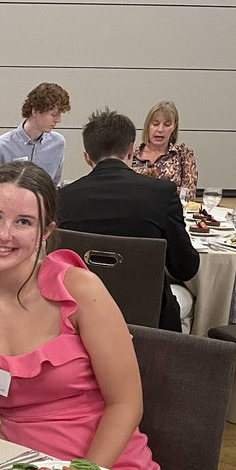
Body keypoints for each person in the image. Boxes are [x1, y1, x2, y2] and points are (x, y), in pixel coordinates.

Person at [0, 161, 163, 470]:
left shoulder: (79, 290)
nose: (4, 234)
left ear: (45, 232)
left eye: (24, 222)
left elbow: (126, 403)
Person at [58, 109, 199, 333]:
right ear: (132, 152)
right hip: (148, 319)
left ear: (87, 157)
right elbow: (185, 268)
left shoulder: (64, 198)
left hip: (78, 317)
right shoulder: (161, 193)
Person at [0, 83, 71, 184]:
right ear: (35, 111)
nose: (59, 120)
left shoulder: (58, 143)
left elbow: (54, 184)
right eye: (54, 114)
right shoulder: (3, 145)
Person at [131, 100, 197, 196]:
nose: (160, 129)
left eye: (167, 125)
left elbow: (189, 195)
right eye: (155, 124)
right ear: (147, 126)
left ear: (174, 127)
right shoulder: (132, 155)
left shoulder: (184, 155)